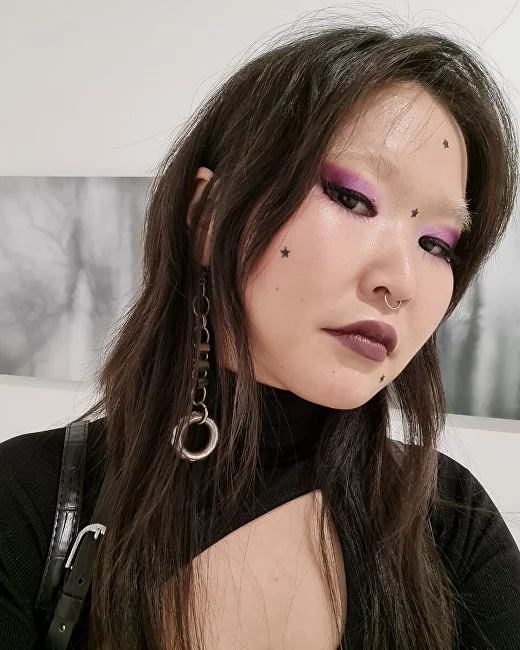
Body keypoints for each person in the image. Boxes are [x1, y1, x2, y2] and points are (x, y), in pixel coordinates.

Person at [1, 20, 520, 650]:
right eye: (352, 199)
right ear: (207, 217)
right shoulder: (27, 501)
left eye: (436, 243)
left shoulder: (450, 525)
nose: (402, 281)